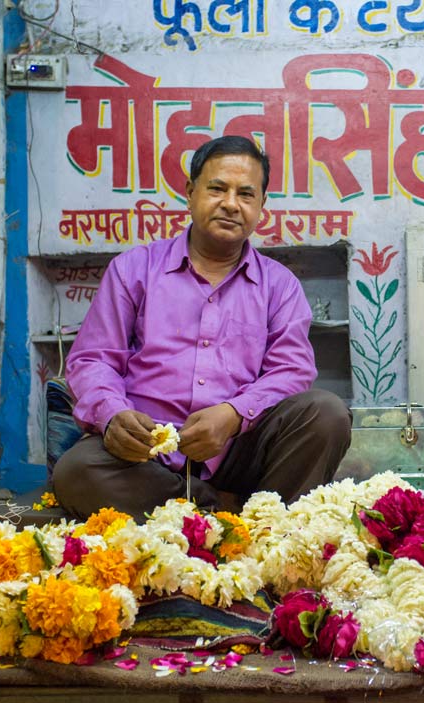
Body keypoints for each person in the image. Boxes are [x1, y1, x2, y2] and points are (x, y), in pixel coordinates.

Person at [53, 136, 352, 521]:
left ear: (261, 207)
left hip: (238, 447)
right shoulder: (134, 270)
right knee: (77, 472)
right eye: (217, 188)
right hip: (147, 453)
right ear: (191, 193)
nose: (230, 203)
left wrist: (233, 414)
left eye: (246, 194)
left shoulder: (279, 285)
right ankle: (218, 513)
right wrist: (112, 416)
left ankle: (266, 525)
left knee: (326, 413)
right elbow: (94, 359)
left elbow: (292, 370)